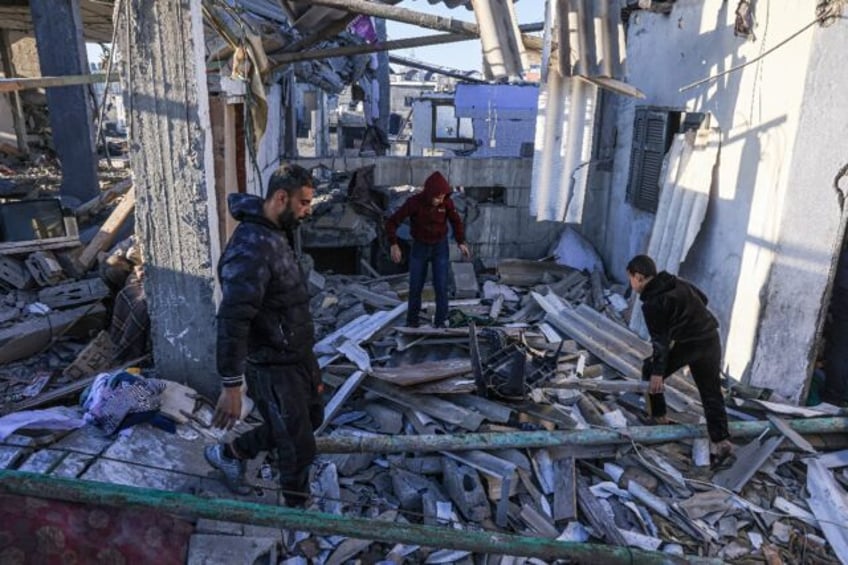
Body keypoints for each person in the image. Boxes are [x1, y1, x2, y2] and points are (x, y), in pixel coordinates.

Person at [204, 164, 324, 506]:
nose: (307, 210)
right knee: (298, 448)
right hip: (273, 366)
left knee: (311, 419)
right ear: (281, 198)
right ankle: (296, 517)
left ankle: (231, 453)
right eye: (303, 203)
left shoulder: (275, 231)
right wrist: (231, 385)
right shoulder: (250, 249)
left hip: (297, 355)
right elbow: (232, 319)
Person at [626, 255, 733, 462]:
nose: (630, 283)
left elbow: (660, 342)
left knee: (649, 370)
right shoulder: (677, 282)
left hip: (690, 344)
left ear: (638, 277)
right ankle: (722, 442)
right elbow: (703, 299)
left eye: (630, 278)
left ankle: (659, 417)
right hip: (710, 337)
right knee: (711, 391)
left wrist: (658, 373)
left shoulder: (652, 303)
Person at [385, 171, 471, 328]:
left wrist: (461, 242)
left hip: (440, 247)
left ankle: (440, 322)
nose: (440, 200)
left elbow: (456, 222)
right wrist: (394, 244)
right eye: (437, 197)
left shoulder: (447, 203)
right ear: (429, 193)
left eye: (443, 197)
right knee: (416, 286)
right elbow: (392, 222)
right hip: (420, 247)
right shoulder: (414, 203)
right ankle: (412, 322)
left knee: (441, 286)